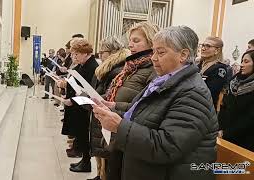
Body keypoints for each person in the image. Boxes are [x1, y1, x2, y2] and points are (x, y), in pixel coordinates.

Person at [92, 26, 218, 180]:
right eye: (154, 51)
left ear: (183, 55)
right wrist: (113, 110)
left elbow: (167, 146)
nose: (153, 58)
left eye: (161, 52)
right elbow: (143, 116)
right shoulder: (164, 81)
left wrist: (119, 126)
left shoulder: (193, 92)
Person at [101, 21, 159, 180]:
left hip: (131, 130)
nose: (130, 45)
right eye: (130, 40)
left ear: (151, 41)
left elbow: (144, 105)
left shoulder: (153, 68)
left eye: (136, 40)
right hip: (118, 127)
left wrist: (114, 106)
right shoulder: (132, 66)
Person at [88, 36, 130, 180]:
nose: (100, 55)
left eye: (103, 51)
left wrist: (93, 97)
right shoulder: (108, 67)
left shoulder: (117, 68)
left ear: (113, 51)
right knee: (101, 153)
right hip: (103, 108)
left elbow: (111, 93)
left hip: (111, 111)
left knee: (107, 154)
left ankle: (102, 175)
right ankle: (100, 174)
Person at [61, 38, 99, 173]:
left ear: (85, 53)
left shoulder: (92, 66)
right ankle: (84, 161)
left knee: (84, 135)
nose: (73, 57)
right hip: (79, 105)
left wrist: (72, 100)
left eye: (76, 54)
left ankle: (86, 163)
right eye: (72, 54)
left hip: (84, 107)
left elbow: (87, 90)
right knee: (81, 135)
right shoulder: (83, 65)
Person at [218, 50, 254, 151]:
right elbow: (224, 105)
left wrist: (228, 132)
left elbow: (250, 117)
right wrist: (220, 128)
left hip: (245, 138)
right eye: (242, 61)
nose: (242, 65)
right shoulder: (234, 80)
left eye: (246, 62)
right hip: (223, 132)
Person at [198, 36, 228, 110]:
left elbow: (211, 92)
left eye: (208, 46)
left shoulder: (219, 69)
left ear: (217, 51)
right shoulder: (199, 65)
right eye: (203, 45)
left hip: (205, 108)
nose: (203, 48)